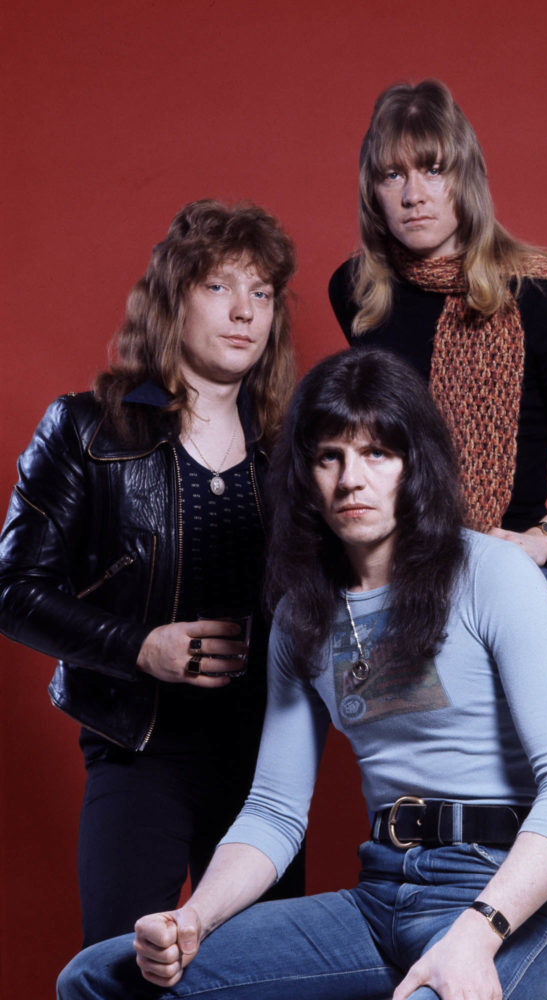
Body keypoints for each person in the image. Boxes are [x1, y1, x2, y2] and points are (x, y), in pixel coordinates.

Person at [57, 347, 547, 1000]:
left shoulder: (493, 574)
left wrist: (477, 931)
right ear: (304, 476)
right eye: (329, 457)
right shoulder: (300, 615)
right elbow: (274, 811)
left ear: (415, 465)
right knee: (95, 975)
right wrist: (193, 919)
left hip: (498, 896)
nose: (352, 480)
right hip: (381, 894)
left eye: (377, 453)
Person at [0, 200, 304, 946]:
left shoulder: (294, 451)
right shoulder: (86, 429)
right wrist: (139, 647)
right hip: (139, 746)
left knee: (265, 978)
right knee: (119, 968)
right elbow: (11, 590)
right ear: (174, 299)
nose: (244, 311)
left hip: (267, 765)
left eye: (261, 292)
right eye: (219, 286)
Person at [328, 79, 547, 624]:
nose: (413, 195)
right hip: (391, 580)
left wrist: (541, 539)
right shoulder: (359, 293)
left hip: (503, 578)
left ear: (466, 178)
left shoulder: (542, 300)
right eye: (392, 175)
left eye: (433, 170)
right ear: (372, 191)